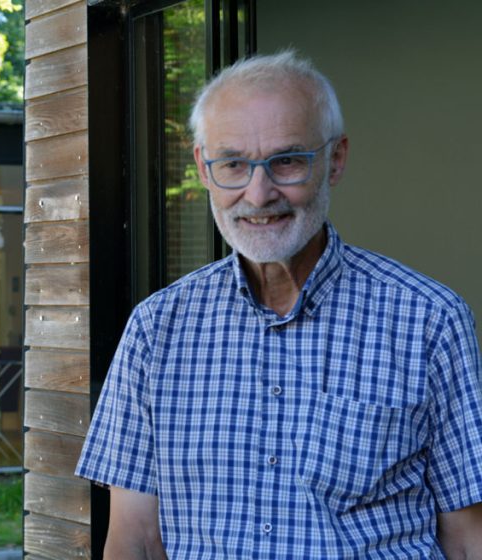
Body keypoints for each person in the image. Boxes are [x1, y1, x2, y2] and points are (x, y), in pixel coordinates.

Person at [76, 51, 482, 558]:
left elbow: (467, 539)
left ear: (335, 160)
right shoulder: (157, 329)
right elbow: (134, 537)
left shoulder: (429, 320)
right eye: (233, 164)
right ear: (204, 168)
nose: (259, 192)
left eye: (287, 160)